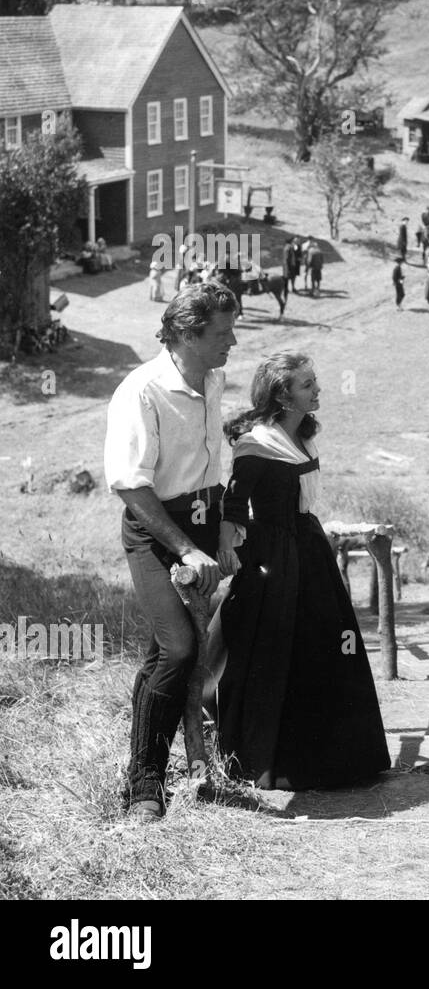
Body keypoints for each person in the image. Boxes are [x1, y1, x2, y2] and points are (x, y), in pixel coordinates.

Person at [210, 353, 389, 789]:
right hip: (273, 555)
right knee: (273, 650)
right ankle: (275, 762)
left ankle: (334, 761)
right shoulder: (256, 444)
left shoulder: (304, 436)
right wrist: (231, 554)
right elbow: (232, 507)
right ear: (282, 395)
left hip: (308, 549)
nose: (317, 389)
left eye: (314, 382)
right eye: (307, 385)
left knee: (326, 645)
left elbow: (303, 502)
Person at [104, 282, 239, 820]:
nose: (233, 341)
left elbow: (213, 462)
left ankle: (230, 756)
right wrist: (185, 550)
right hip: (156, 528)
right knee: (179, 649)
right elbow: (132, 487)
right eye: (223, 332)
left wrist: (226, 528)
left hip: (207, 525)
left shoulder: (212, 377)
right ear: (186, 334)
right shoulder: (141, 391)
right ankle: (143, 787)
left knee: (183, 647)